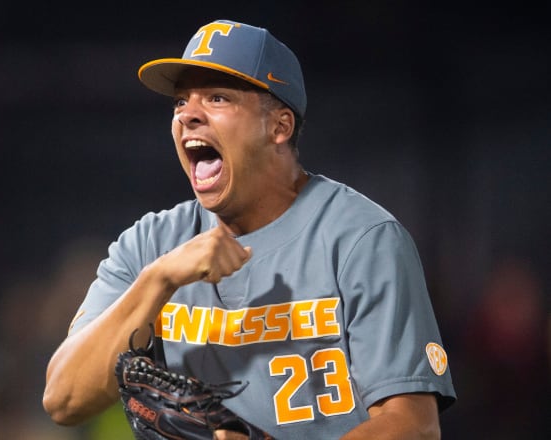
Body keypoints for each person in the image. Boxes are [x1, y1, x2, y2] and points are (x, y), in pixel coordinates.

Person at [43, 19, 456, 439]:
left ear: (279, 126)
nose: (188, 115)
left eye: (217, 97)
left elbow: (413, 426)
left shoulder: (362, 239)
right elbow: (63, 399)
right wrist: (159, 280)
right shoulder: (150, 246)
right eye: (180, 102)